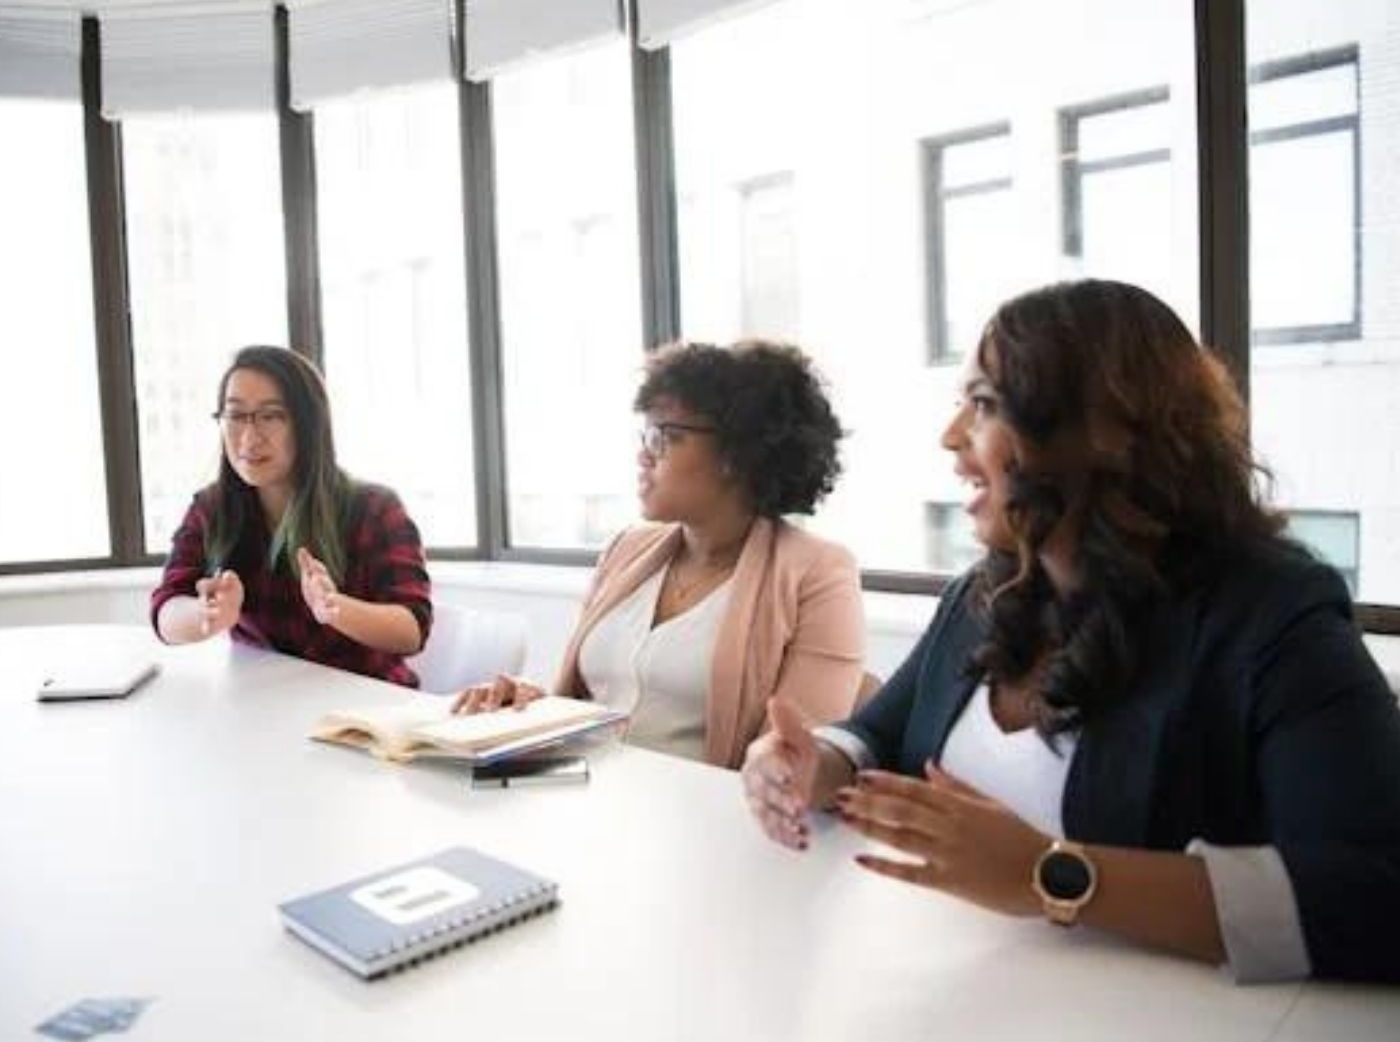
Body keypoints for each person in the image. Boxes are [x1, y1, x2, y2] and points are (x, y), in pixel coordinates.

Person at [741, 279, 1400, 983]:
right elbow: (879, 735)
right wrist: (810, 766)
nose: (951, 436)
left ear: (1106, 433)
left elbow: (1375, 895)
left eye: (986, 406)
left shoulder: (1273, 614)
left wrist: (1047, 875)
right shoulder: (988, 592)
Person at [454, 340, 865, 768]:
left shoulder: (819, 573)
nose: (643, 455)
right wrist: (529, 704)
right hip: (580, 797)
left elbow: (795, 763)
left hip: (704, 822)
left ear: (739, 453)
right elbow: (590, 700)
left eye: (666, 436)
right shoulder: (627, 549)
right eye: (645, 433)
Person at [151, 346, 432, 687]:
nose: (249, 438)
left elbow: (411, 630)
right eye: (236, 416)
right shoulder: (212, 508)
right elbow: (166, 610)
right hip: (265, 706)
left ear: (308, 425)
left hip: (365, 712)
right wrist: (206, 614)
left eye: (270, 416)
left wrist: (335, 608)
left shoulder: (374, 508)